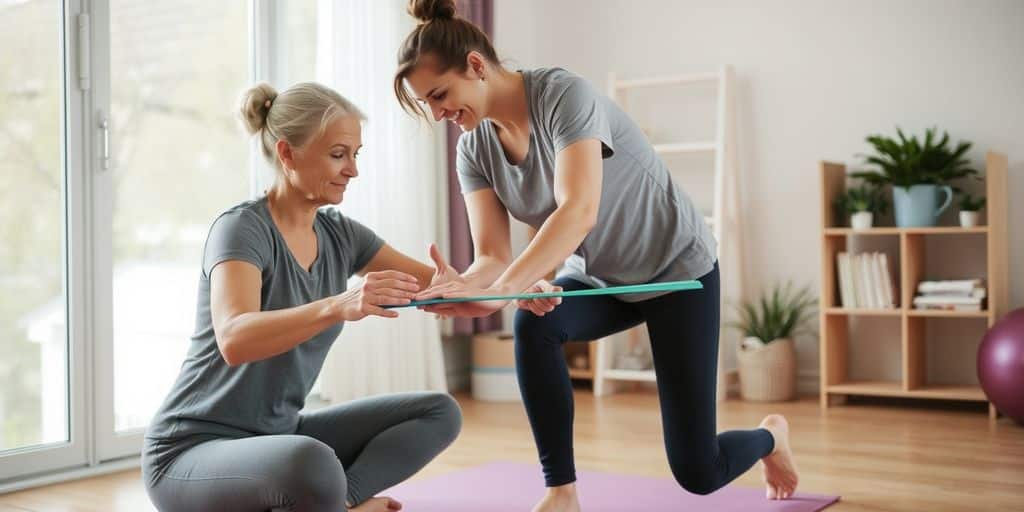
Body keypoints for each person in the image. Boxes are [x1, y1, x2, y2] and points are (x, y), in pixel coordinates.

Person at [392, 1, 800, 511]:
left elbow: (578, 210)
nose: (437, 114)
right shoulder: (473, 149)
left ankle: (771, 436)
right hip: (599, 278)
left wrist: (503, 290)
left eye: (439, 95)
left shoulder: (563, 96)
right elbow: (492, 256)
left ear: (476, 65)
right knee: (533, 322)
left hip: (676, 272)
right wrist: (465, 288)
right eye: (426, 104)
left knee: (699, 472)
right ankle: (561, 492)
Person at [141, 81, 465, 512]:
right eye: (338, 154)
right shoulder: (241, 229)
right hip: (189, 451)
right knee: (311, 461)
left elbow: (444, 288)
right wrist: (338, 305)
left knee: (439, 412)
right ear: (287, 153)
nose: (352, 170)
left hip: (278, 436)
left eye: (356, 154)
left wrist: (509, 289)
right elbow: (235, 338)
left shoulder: (341, 235)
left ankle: (344, 502)